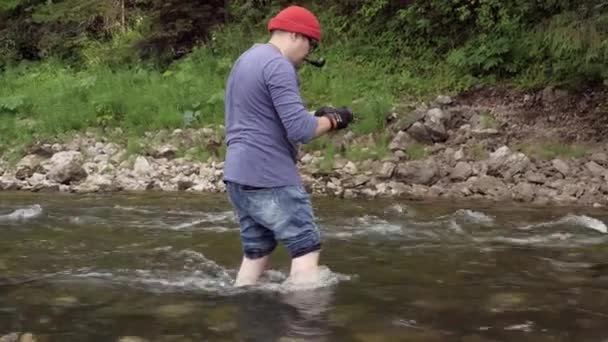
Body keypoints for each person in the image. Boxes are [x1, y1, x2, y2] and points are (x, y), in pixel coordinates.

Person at [222, 5, 354, 287]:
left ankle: (247, 317)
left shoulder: (245, 60)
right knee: (305, 244)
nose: (309, 54)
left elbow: (266, 118)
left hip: (237, 175)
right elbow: (301, 130)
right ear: (296, 35)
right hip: (270, 175)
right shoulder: (278, 65)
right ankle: (304, 326)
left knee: (257, 250)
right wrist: (335, 120)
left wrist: (316, 116)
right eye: (311, 44)